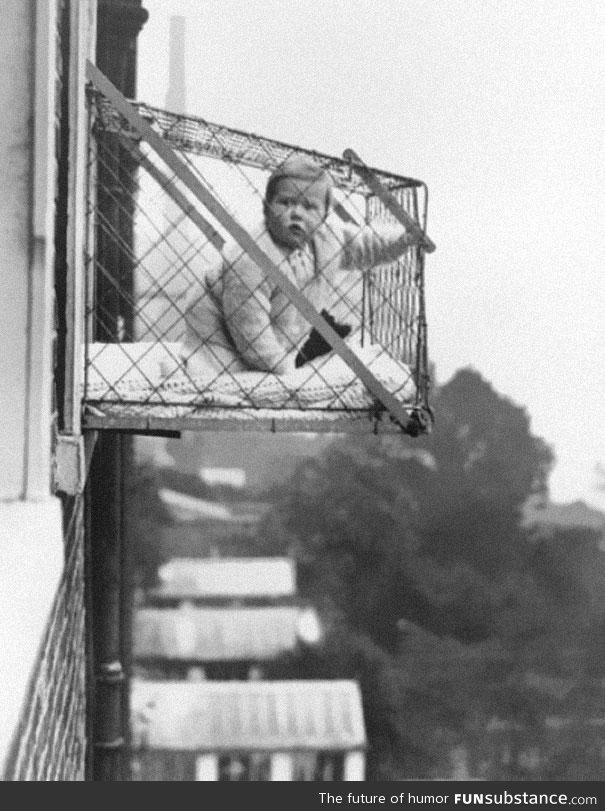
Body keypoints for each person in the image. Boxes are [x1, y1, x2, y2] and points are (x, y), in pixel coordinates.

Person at [181, 154, 428, 376]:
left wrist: (403, 240)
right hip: (216, 327)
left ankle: (280, 359)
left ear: (324, 216)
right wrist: (285, 371)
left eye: (309, 206)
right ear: (266, 209)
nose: (296, 213)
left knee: (274, 360)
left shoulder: (328, 238)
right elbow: (250, 331)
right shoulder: (250, 257)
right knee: (218, 370)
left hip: (281, 327)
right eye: (285, 202)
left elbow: (368, 246)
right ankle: (190, 364)